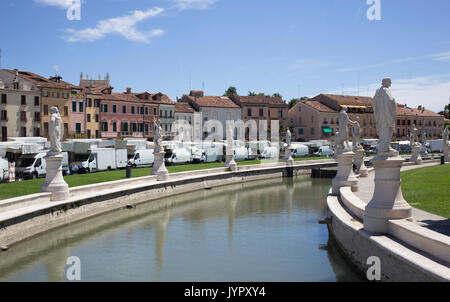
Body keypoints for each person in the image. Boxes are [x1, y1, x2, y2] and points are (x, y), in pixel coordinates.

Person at [372, 78, 397, 155]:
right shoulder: (386, 90)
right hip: (386, 115)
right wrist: (394, 101)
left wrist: (377, 114)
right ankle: (385, 148)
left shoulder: (377, 91)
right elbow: (389, 100)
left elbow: (374, 103)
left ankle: (385, 146)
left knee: (382, 131)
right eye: (390, 82)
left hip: (380, 115)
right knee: (387, 131)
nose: (391, 83)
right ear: (386, 82)